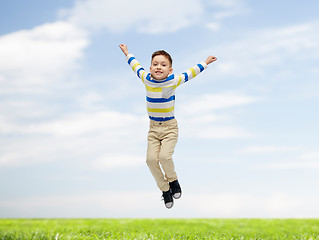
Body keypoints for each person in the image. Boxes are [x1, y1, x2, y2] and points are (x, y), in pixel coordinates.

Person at [119, 44, 217, 208]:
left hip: (170, 128)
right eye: (155, 64)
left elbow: (190, 73)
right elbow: (135, 65)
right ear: (150, 68)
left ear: (170, 70)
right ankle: (165, 190)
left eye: (163, 65)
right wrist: (127, 53)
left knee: (164, 157)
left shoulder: (173, 80)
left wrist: (206, 62)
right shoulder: (146, 78)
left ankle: (173, 181)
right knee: (150, 160)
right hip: (153, 129)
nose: (159, 67)